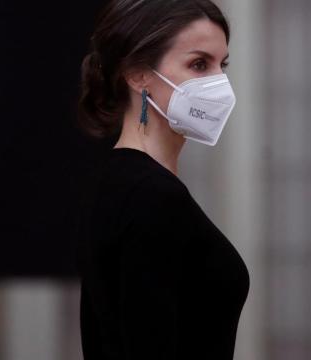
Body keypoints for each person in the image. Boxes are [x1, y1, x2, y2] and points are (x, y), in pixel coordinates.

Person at [75, 0, 250, 359]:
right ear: (138, 73)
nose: (219, 84)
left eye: (222, 65)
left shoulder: (116, 182)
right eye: (199, 64)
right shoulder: (152, 197)